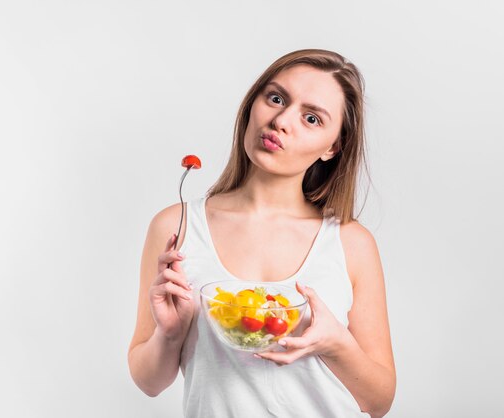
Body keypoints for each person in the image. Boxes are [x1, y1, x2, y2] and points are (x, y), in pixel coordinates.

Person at [128, 49, 396, 418]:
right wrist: (170, 335)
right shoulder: (175, 227)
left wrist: (335, 344)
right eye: (276, 98)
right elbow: (149, 382)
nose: (282, 120)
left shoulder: (351, 242)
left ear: (333, 147)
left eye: (312, 118)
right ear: (253, 102)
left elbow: (379, 401)